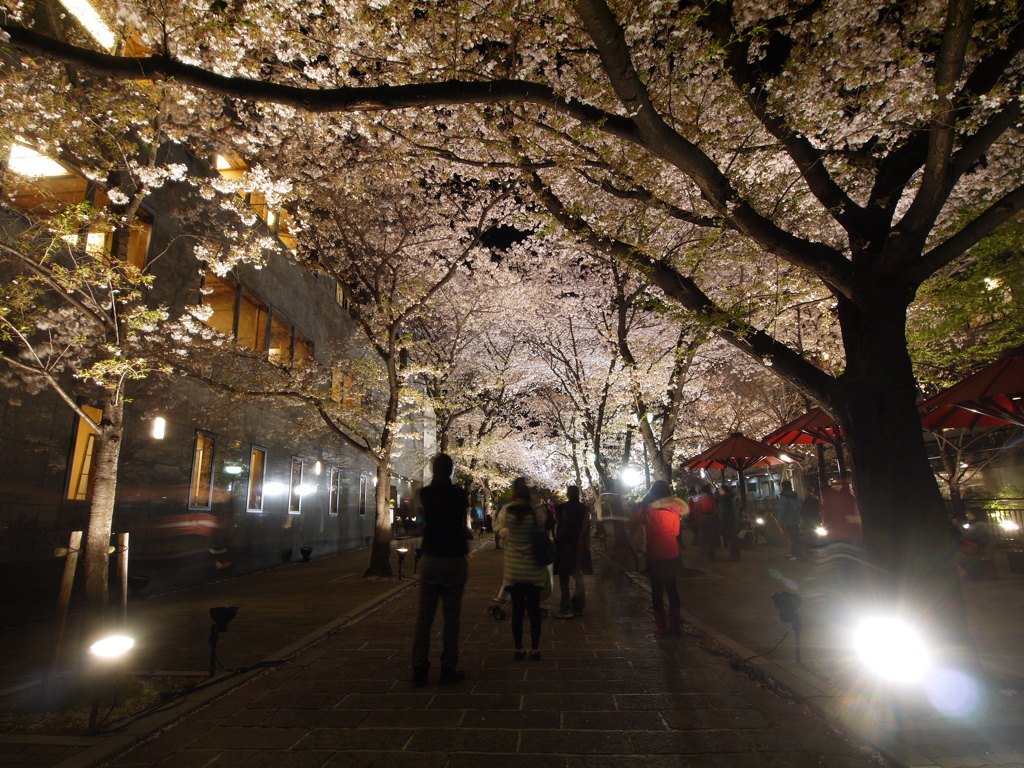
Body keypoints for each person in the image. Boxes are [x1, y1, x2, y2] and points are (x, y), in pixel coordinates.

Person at [411, 453, 470, 687]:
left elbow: (420, 524)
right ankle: (448, 667)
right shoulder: (459, 495)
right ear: (452, 471)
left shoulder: (424, 494)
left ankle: (419, 668)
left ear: (433, 470)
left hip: (431, 557)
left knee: (424, 617)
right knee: (451, 618)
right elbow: (462, 524)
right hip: (454, 558)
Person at [496, 478, 550, 660]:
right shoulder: (535, 514)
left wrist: (507, 533)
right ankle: (535, 649)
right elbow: (543, 528)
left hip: (514, 572)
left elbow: (499, 530)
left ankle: (518, 649)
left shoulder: (506, 512)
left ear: (513, 496)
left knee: (517, 612)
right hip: (533, 572)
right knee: (534, 612)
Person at [630, 480, 686, 635]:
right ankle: (675, 626)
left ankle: (661, 626)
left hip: (654, 553)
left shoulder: (645, 510)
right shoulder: (675, 511)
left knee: (657, 590)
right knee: (672, 589)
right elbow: (676, 532)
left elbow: (632, 525)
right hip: (672, 553)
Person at [552, 485, 593, 618]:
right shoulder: (583, 509)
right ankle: (578, 605)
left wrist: (557, 541)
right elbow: (587, 529)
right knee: (579, 575)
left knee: (564, 577)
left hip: (567, 547)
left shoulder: (565, 509)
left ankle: (565, 607)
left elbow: (564, 528)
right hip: (580, 546)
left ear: (568, 495)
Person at [957, 507, 992, 581]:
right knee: (960, 558)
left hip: (978, 547)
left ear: (975, 514)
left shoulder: (980, 525)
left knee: (962, 558)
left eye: (969, 513)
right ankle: (972, 575)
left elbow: (969, 535)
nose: (967, 515)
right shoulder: (974, 524)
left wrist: (959, 526)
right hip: (974, 546)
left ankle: (974, 576)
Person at [691, 484, 719, 561]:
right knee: (711, 538)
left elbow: (695, 510)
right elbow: (716, 510)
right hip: (711, 521)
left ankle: (703, 555)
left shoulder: (697, 499)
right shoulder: (712, 499)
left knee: (703, 537)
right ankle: (711, 555)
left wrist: (697, 520)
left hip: (701, 520)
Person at [777, 479, 803, 560]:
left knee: (792, 538)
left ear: (783, 486)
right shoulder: (795, 495)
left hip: (788, 520)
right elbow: (799, 507)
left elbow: (782, 509)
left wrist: (780, 521)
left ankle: (795, 554)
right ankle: (795, 553)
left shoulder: (784, 496)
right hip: (796, 519)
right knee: (796, 537)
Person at [716, 485, 740, 561]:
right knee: (732, 539)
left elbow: (724, 512)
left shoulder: (725, 499)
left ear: (723, 490)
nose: (719, 491)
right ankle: (735, 556)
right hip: (731, 521)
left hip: (728, 522)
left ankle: (734, 557)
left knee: (732, 540)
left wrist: (722, 521)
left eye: (720, 489)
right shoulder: (729, 497)